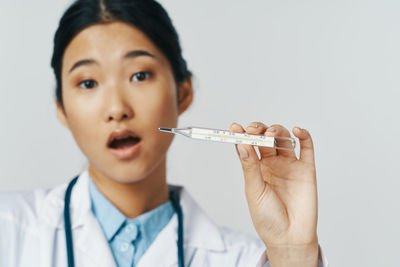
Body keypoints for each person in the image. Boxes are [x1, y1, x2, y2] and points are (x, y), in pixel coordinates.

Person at [0, 0, 327, 266]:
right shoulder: (9, 229)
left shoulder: (246, 259)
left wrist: (293, 253)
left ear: (183, 93)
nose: (117, 108)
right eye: (88, 83)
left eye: (140, 75)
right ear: (62, 109)